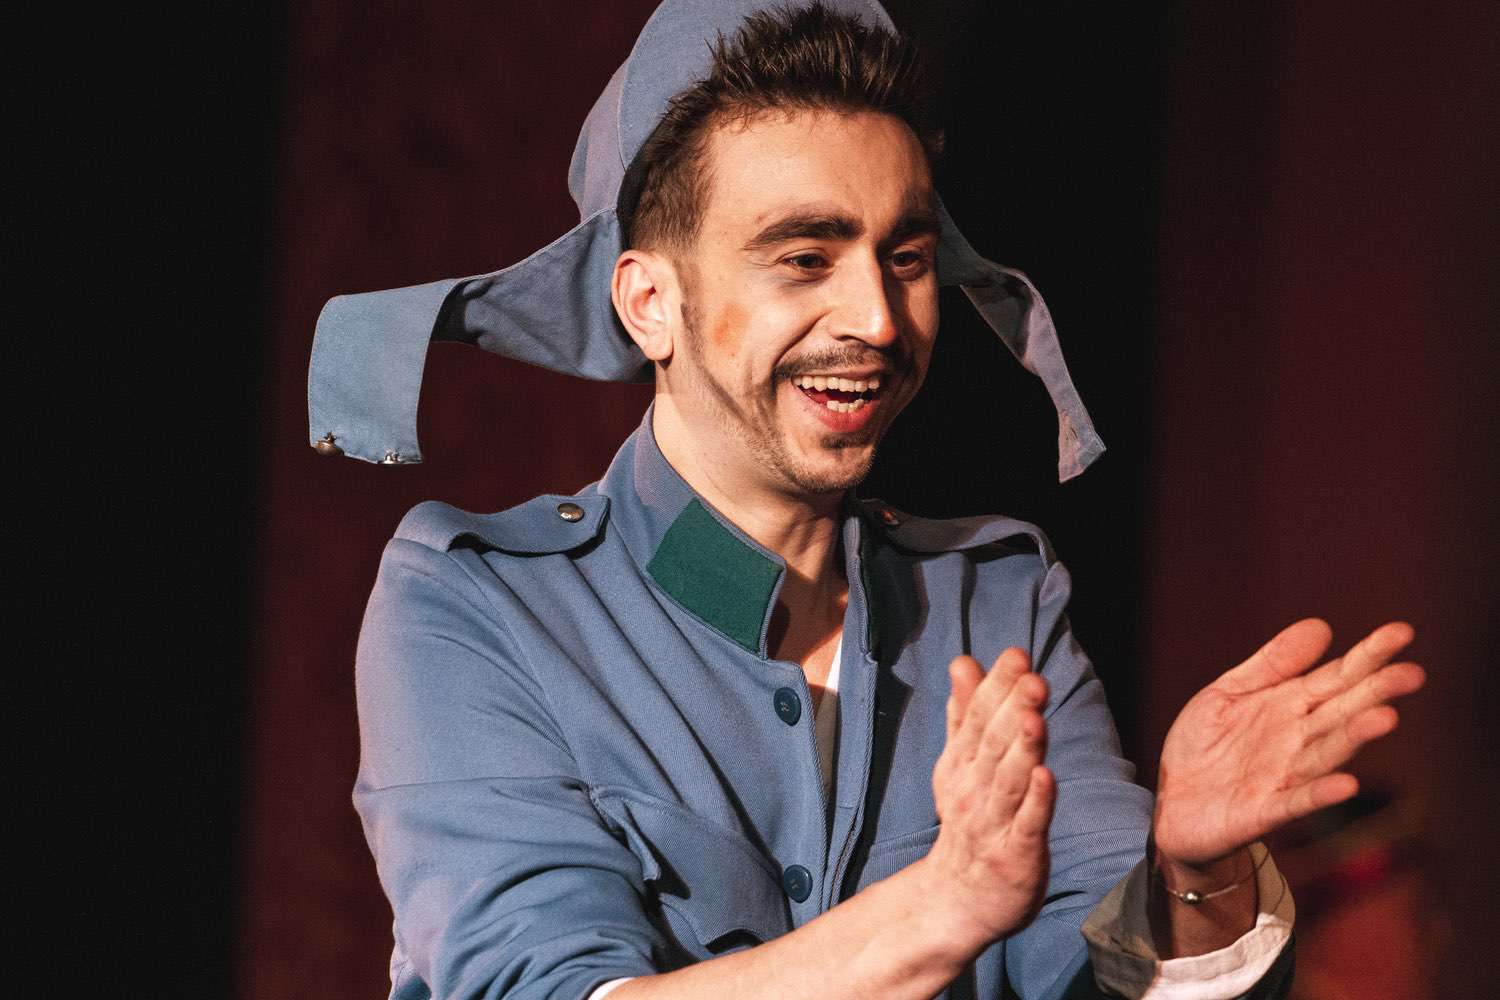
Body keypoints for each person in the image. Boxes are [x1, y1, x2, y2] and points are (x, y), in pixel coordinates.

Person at [307, 3, 1426, 998]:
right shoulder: (479, 608)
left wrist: (1194, 873)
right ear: (650, 303)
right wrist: (942, 906)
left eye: (906, 257)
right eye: (804, 257)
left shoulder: (997, 601)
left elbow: (1112, 980)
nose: (880, 320)